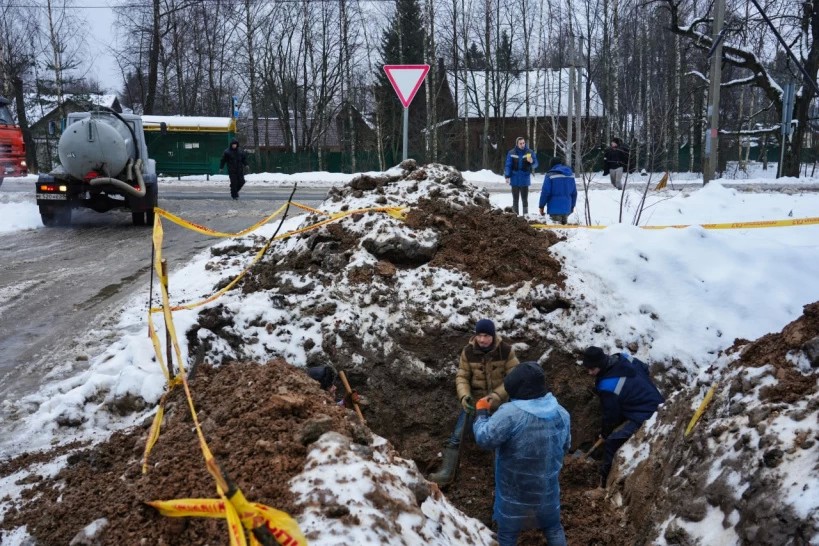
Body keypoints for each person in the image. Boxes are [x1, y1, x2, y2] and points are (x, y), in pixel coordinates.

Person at [473, 361, 570, 546]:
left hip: (514, 494)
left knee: (508, 534)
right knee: (553, 528)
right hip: (546, 491)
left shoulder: (510, 414)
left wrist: (482, 413)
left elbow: (485, 438)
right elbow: (566, 446)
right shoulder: (561, 413)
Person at [428, 319, 519, 486]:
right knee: (456, 436)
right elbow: (462, 376)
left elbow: (514, 378)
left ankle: (505, 477)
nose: (482, 340)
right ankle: (447, 473)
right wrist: (465, 397)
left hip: (502, 404)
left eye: (486, 336)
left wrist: (496, 397)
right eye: (479, 335)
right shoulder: (468, 352)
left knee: (506, 439)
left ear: (493, 335)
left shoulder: (506, 351)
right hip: (476, 403)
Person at [581, 346, 664, 490]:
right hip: (656, 399)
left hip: (647, 414)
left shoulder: (608, 386)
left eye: (592, 369)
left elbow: (611, 415)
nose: (589, 373)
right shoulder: (623, 357)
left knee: (612, 442)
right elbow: (644, 368)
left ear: (600, 365)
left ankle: (603, 482)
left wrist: (605, 434)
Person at [504, 137, 539, 216]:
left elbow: (536, 164)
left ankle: (526, 217)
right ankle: (515, 217)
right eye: (521, 143)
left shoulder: (529, 152)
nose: (522, 145)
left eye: (523, 143)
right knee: (515, 200)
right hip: (514, 179)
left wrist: (532, 161)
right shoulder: (511, 152)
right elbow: (508, 165)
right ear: (517, 144)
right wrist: (507, 176)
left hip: (524, 179)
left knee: (524, 200)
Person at [538, 156, 577, 225]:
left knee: (557, 232)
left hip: (554, 209)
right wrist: (572, 206)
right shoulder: (570, 175)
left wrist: (541, 206)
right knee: (564, 231)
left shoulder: (550, 175)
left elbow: (545, 192)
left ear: (552, 164)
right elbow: (574, 193)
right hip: (567, 208)